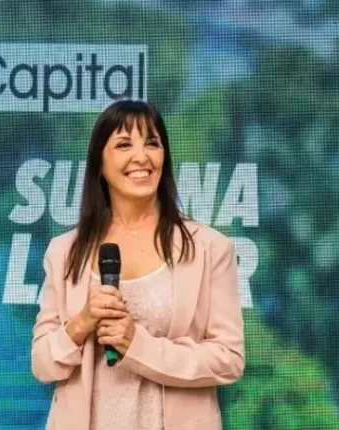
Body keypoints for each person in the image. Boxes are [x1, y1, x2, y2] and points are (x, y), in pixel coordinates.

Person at [30, 99, 245, 430]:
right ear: (99, 163)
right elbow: (43, 365)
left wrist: (137, 345)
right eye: (124, 144)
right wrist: (82, 323)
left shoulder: (210, 248)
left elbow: (228, 360)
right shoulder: (64, 252)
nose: (142, 156)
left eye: (152, 143)